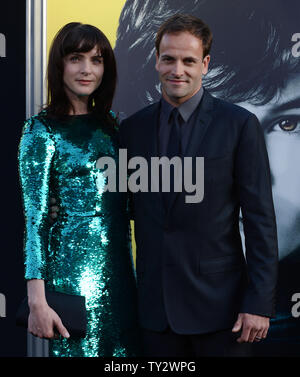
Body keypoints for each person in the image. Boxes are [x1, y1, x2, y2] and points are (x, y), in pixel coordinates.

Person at [113, 0, 300, 356]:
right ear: (157, 62)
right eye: (169, 59)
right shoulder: (133, 131)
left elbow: (261, 220)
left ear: (205, 64)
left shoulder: (237, 124)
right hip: (154, 314)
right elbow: (130, 206)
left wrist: (258, 303)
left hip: (222, 314)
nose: (178, 69)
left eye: (288, 123)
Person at [18, 22, 139, 357]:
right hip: (72, 281)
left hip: (122, 280)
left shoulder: (113, 124)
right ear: (60, 65)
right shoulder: (41, 130)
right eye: (76, 58)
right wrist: (37, 301)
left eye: (97, 60)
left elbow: (126, 202)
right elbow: (35, 220)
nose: (87, 69)